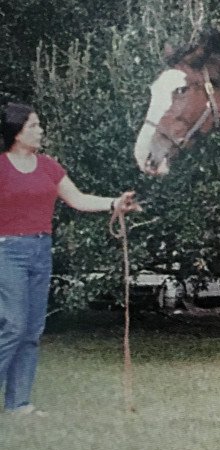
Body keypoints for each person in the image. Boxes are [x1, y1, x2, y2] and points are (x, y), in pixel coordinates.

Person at [0, 102, 141, 416]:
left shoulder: (49, 166)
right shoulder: (1, 167)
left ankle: (19, 403)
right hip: (7, 250)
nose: (40, 130)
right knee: (13, 324)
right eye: (34, 125)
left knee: (33, 329)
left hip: (40, 249)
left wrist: (115, 203)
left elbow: (77, 199)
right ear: (16, 132)